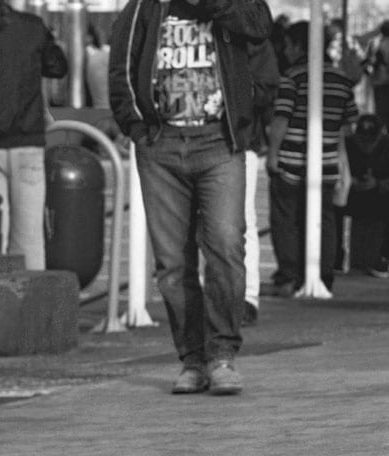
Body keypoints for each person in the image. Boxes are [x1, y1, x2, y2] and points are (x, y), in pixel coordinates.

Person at [108, 0, 273, 396]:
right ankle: (193, 360)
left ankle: (222, 356)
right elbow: (122, 68)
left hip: (220, 143)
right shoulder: (146, 8)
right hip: (161, 147)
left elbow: (259, 25)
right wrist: (137, 126)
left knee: (226, 246)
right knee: (172, 263)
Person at [266, 20, 359, 298]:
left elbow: (281, 119)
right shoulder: (342, 80)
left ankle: (289, 276)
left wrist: (273, 154)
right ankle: (323, 273)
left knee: (286, 220)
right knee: (325, 219)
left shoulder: (292, 78)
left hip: (291, 160)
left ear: (296, 45)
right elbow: (348, 126)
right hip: (328, 161)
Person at [0, 0, 67, 271]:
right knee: (30, 233)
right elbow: (57, 67)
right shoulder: (32, 27)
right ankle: (31, 301)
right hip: (28, 138)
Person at [242, 38, 281, 327]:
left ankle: (245, 296)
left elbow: (267, 87)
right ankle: (242, 297)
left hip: (237, 139)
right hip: (239, 137)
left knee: (241, 222)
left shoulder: (246, 24)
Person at [343, 113, 389, 277]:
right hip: (353, 194)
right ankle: (335, 255)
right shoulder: (349, 145)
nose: (366, 146)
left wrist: (377, 184)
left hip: (379, 194)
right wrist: (351, 182)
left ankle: (386, 257)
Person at [363, 20, 389, 136]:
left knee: (379, 108)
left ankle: (378, 131)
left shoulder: (374, 43)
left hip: (377, 79)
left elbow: (368, 60)